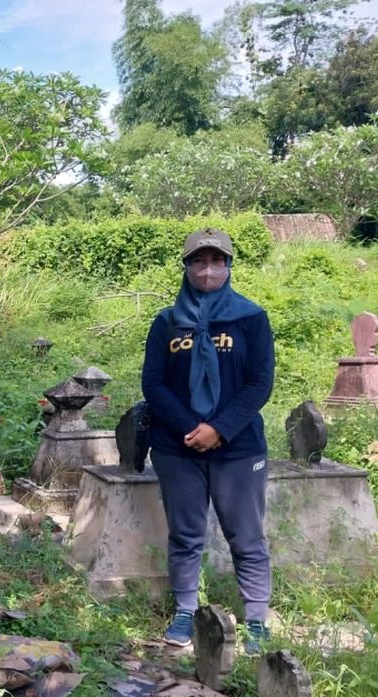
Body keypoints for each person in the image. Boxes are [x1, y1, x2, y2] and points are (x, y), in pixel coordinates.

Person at [141, 228, 275, 654]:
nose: (208, 270)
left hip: (238, 447)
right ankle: (185, 610)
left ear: (229, 266)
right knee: (185, 533)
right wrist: (190, 429)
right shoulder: (166, 322)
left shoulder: (250, 318)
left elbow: (259, 383)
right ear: (186, 266)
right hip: (176, 447)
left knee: (246, 535)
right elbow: (154, 383)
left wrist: (219, 428)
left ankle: (255, 618)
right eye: (199, 261)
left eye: (217, 261)